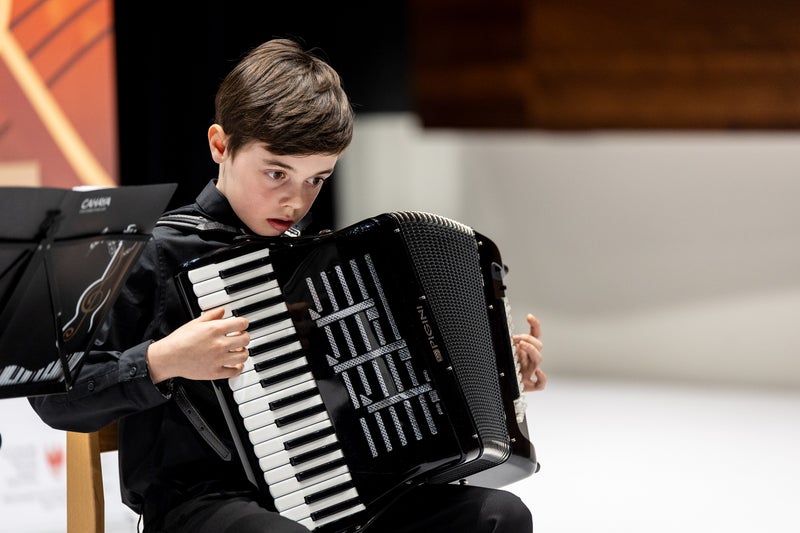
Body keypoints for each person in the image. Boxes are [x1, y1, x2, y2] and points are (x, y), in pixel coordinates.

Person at [30, 38, 547, 533]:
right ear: (220, 145)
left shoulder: (321, 261)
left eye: (316, 179)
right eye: (276, 173)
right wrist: (163, 360)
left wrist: (498, 372)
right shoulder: (155, 253)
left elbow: (384, 392)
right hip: (204, 502)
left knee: (499, 516)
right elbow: (55, 399)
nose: (296, 202)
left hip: (343, 491)